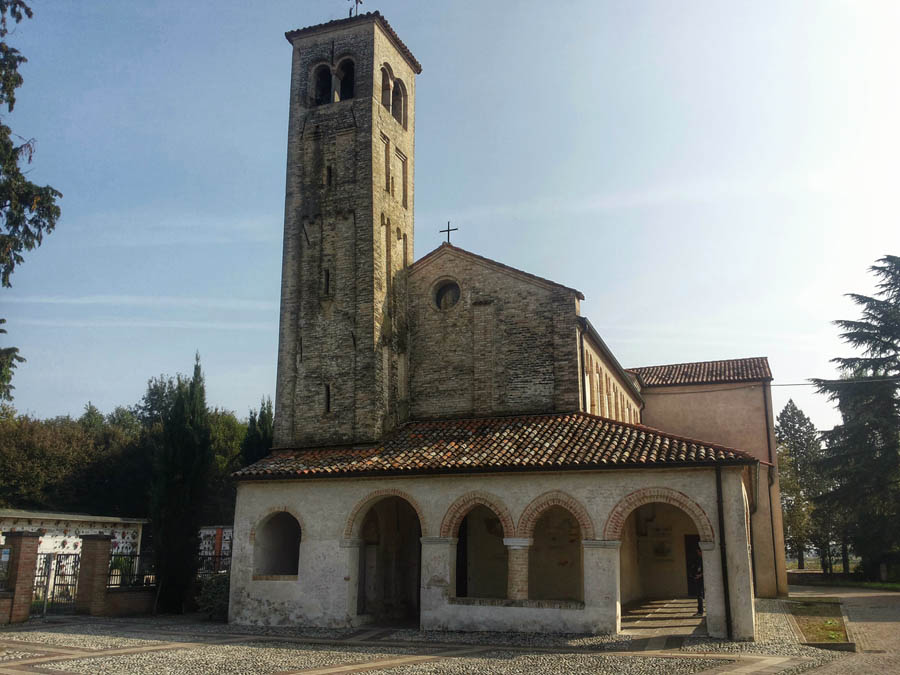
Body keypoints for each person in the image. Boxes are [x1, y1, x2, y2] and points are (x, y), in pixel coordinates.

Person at [693, 545, 704, 616]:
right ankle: (700, 610)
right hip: (698, 579)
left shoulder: (705, 559)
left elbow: (707, 569)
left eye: (698, 552)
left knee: (700, 595)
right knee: (699, 595)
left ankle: (700, 612)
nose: (698, 553)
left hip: (702, 579)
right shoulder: (699, 559)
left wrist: (700, 575)